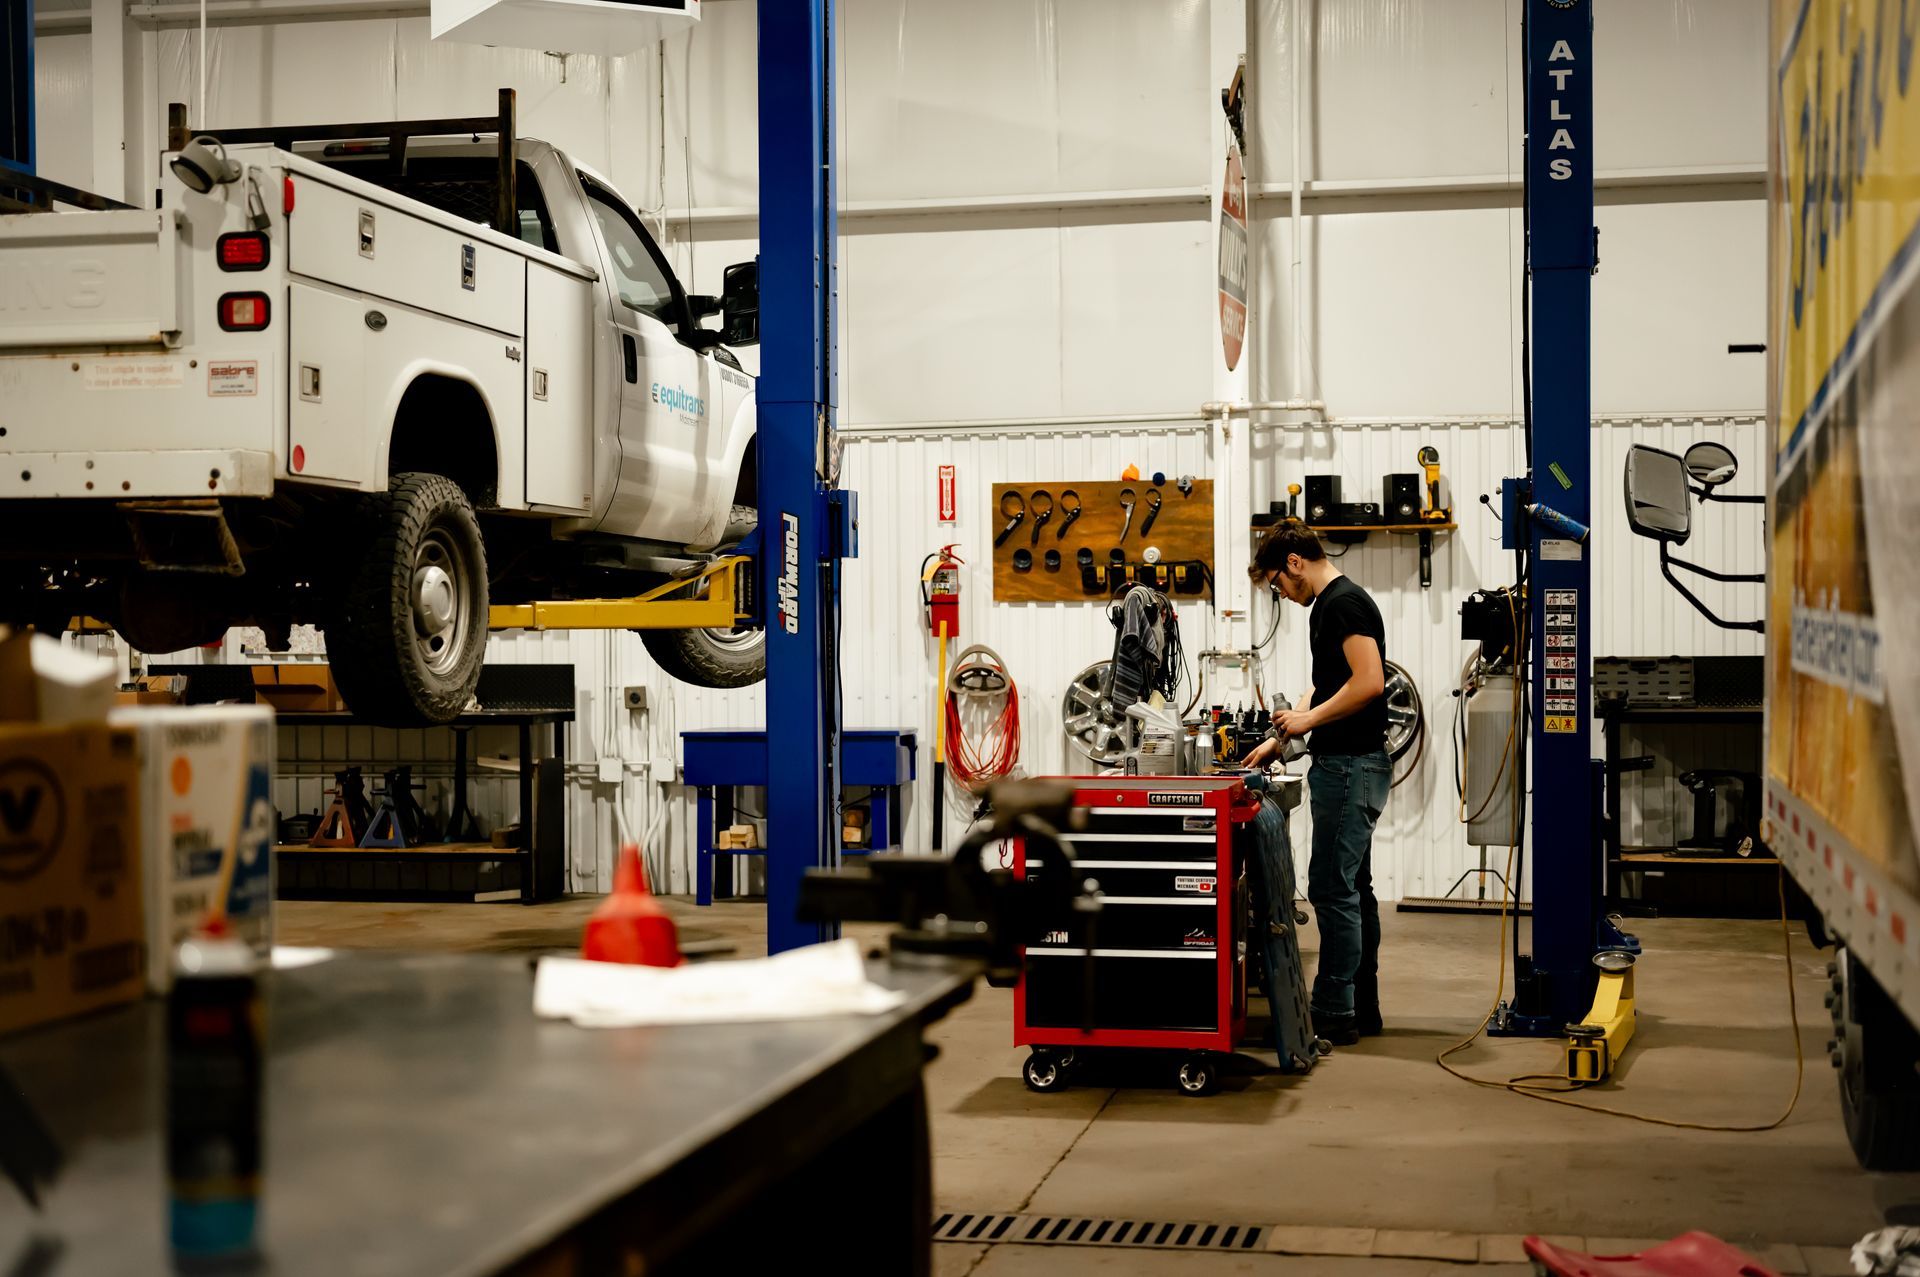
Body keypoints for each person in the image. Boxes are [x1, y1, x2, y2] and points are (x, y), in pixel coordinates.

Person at [1242, 518, 1389, 1046]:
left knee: (1331, 889)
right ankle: (1360, 1006)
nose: (1282, 592)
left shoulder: (1341, 603)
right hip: (1351, 764)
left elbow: (1369, 681)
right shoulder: (1334, 605)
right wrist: (1282, 738)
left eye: (1279, 583)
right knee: (1354, 891)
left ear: (1295, 563)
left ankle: (1333, 1010)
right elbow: (1329, 684)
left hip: (1350, 767)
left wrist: (1307, 722)